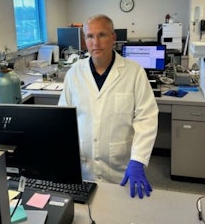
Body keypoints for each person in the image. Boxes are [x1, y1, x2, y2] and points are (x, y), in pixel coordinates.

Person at [58, 14, 158, 198]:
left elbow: (147, 118)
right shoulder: (74, 73)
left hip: (121, 169)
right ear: (84, 40)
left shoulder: (134, 72)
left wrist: (137, 160)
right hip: (82, 167)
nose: (95, 42)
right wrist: (64, 155)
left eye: (102, 35)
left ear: (113, 38)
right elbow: (63, 119)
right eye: (90, 36)